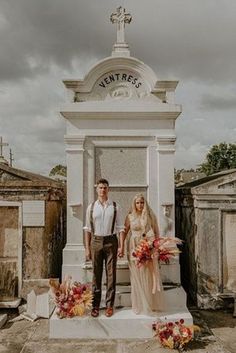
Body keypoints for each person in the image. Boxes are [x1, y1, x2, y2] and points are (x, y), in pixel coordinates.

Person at [84, 178, 125, 318]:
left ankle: (109, 306)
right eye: (100, 187)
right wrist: (87, 249)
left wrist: (121, 246)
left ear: (108, 189)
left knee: (111, 275)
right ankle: (95, 306)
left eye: (105, 188)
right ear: (96, 189)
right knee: (96, 275)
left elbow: (120, 228)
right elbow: (87, 229)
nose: (102, 190)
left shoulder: (115, 206)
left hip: (111, 241)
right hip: (95, 241)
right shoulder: (91, 207)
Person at [124, 193, 165, 315]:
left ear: (145, 203)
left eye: (142, 202)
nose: (140, 205)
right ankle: (139, 304)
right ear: (134, 204)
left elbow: (156, 232)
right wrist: (121, 247)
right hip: (134, 247)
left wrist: (156, 246)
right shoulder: (130, 217)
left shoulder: (150, 215)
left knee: (147, 274)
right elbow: (125, 232)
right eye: (137, 202)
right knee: (136, 274)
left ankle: (149, 303)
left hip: (148, 246)